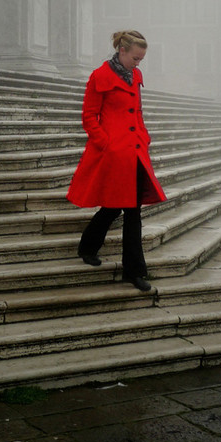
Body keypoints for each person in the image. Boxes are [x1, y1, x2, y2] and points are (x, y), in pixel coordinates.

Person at [67, 30, 166, 291]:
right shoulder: (100, 76)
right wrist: (106, 143)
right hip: (113, 155)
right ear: (122, 50)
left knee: (132, 211)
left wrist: (143, 136)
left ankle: (133, 271)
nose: (138, 64)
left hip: (134, 153)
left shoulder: (135, 75)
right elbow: (89, 117)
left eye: (141, 59)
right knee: (113, 206)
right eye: (135, 58)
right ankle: (88, 247)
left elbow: (138, 112)